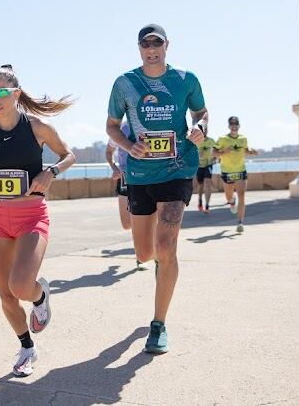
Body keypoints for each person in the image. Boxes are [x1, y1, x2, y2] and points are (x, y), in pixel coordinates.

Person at [0, 65, 75, 377]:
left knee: (20, 285)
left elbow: (69, 155)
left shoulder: (37, 127)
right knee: (6, 295)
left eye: (0, 92)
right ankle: (27, 347)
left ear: (15, 93)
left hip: (31, 217)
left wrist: (50, 171)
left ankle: (40, 296)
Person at [106, 24, 207, 355]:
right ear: (139, 48)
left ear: (167, 45)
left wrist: (200, 128)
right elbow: (110, 126)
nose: (151, 49)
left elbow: (201, 113)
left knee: (166, 246)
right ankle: (159, 271)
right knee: (145, 253)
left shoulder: (185, 80)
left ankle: (159, 323)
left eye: (157, 43)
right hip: (139, 175)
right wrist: (127, 145)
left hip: (177, 169)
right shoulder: (125, 84)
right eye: (145, 44)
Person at [106, 121, 147, 271]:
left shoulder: (150, 123)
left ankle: (142, 256)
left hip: (146, 177)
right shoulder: (120, 128)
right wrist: (114, 168)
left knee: (140, 218)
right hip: (125, 176)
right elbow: (108, 152)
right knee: (126, 224)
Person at [215, 116, 258, 233]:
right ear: (229, 126)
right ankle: (231, 202)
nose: (234, 126)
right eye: (232, 124)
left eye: (236, 124)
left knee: (242, 196)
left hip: (240, 171)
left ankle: (240, 222)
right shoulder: (222, 139)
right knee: (229, 197)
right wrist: (224, 152)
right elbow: (214, 152)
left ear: (239, 126)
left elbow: (245, 150)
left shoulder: (243, 139)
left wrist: (252, 152)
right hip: (227, 172)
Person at [194, 123, 218, 212]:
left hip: (208, 165)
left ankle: (207, 205)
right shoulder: (195, 141)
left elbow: (216, 152)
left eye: (206, 129)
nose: (205, 131)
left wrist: (216, 158)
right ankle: (200, 200)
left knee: (207, 184)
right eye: (203, 130)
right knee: (200, 185)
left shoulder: (211, 141)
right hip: (199, 166)